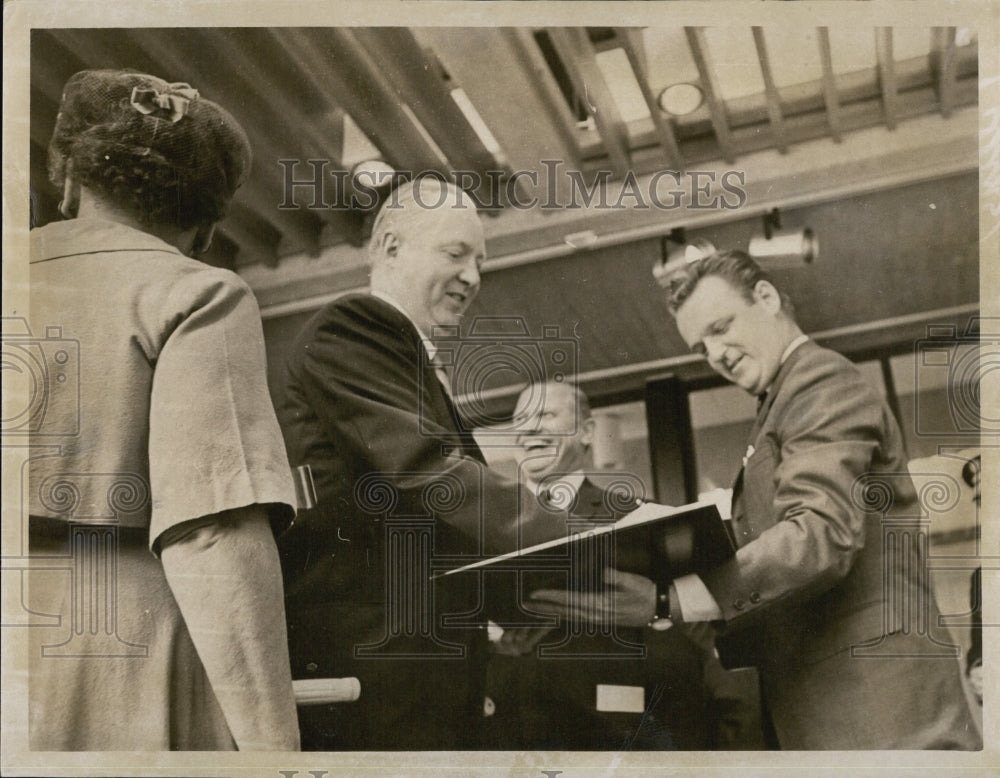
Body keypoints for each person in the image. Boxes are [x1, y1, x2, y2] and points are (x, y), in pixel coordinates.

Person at [532, 250, 980, 750]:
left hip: (877, 710)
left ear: (766, 297)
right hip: (840, 709)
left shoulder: (817, 381)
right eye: (702, 348)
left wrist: (668, 600)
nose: (717, 353)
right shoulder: (781, 401)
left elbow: (819, 536)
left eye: (722, 327)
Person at [26, 70, 299, 750]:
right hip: (115, 651)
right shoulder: (198, 294)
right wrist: (277, 753)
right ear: (207, 226)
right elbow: (211, 533)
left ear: (66, 183)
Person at [276, 178, 572, 750]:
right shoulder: (353, 327)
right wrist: (582, 536)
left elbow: (426, 526)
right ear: (389, 246)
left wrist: (517, 601)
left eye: (480, 262)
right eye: (456, 253)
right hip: (378, 683)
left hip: (417, 677)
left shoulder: (402, 356)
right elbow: (432, 475)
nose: (473, 276)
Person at [483, 380, 720, 750]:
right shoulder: (484, 525)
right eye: (520, 420)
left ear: (587, 432)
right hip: (507, 733)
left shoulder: (641, 518)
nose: (529, 429)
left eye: (545, 414)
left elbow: (693, 632)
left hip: (610, 737)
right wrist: (490, 639)